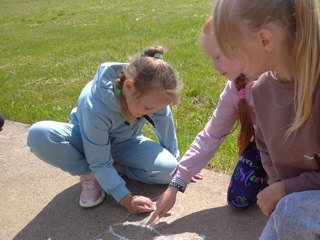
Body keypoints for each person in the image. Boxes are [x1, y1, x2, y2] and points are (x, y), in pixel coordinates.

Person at [27, 46, 182, 214]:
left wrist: (180, 168)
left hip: (125, 144)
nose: (152, 113)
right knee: (39, 134)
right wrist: (126, 199)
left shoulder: (151, 95)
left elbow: (164, 123)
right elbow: (98, 160)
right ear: (128, 87)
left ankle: (116, 168)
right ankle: (89, 174)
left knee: (170, 169)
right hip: (85, 143)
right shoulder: (95, 105)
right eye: (147, 108)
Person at [212, 0, 320, 238]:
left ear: (265, 40)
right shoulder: (261, 90)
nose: (229, 57)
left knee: (290, 214)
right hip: (294, 199)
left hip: (299, 201)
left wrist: (287, 190)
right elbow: (264, 147)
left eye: (232, 47)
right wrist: (279, 186)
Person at [147, 16, 266, 224]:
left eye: (218, 57)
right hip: (265, 150)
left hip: (299, 154)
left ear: (241, 47)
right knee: (238, 198)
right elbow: (211, 135)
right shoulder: (235, 89)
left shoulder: (281, 78)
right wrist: (176, 183)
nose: (214, 66)